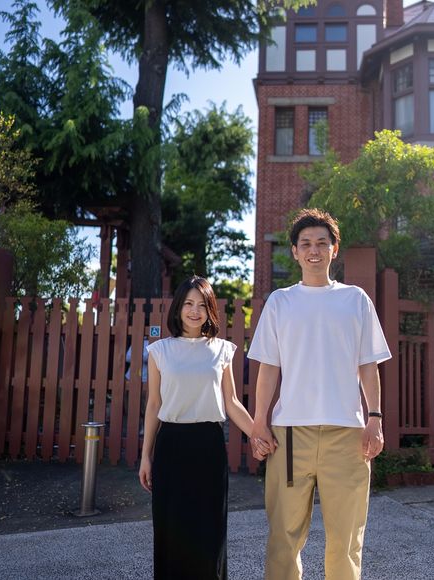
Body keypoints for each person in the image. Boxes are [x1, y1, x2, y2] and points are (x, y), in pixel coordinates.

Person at [248, 208, 392, 580]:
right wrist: (259, 422)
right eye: (306, 243)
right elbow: (269, 368)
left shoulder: (355, 300)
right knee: (284, 537)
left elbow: (368, 365)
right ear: (295, 252)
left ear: (334, 249)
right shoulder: (280, 302)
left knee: (346, 539)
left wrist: (375, 418)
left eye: (322, 243)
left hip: (347, 435)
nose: (314, 250)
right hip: (290, 436)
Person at [139, 275, 268, 580]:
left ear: (210, 309)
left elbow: (231, 401)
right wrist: (146, 456)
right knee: (172, 529)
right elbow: (154, 405)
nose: (194, 311)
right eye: (188, 304)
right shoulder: (160, 351)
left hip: (208, 445)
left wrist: (257, 434)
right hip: (171, 445)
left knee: (209, 530)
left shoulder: (221, 350)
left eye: (201, 304)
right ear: (178, 308)